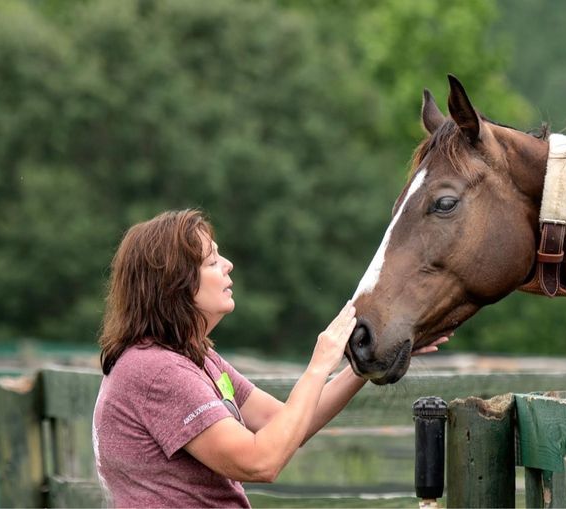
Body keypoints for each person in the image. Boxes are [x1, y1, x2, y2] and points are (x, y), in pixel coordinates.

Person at [92, 209, 447, 507]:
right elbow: (260, 461)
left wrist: (365, 364)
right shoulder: (158, 372)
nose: (228, 265)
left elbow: (287, 424)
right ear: (175, 284)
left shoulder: (194, 357)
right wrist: (319, 364)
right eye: (212, 261)